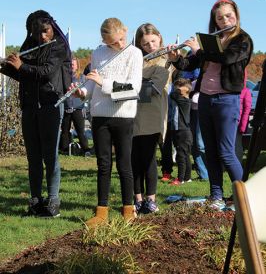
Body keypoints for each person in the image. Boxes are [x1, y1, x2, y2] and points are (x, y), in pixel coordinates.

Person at [168, 0, 253, 209]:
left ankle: (241, 196)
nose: (225, 20)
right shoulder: (208, 40)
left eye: (228, 15)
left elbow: (227, 59)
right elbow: (190, 64)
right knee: (210, 151)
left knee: (226, 151)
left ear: (236, 15)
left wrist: (199, 50)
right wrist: (175, 58)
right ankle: (216, 195)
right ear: (214, 21)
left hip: (227, 99)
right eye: (220, 17)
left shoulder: (242, 39)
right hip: (205, 99)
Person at [0, 10, 71, 217]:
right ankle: (35, 201)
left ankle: (53, 201)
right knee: (33, 157)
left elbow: (46, 73)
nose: (42, 37)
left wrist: (22, 66)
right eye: (36, 32)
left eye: (45, 31)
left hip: (50, 104)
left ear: (51, 28)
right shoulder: (29, 45)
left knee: (50, 156)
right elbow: (24, 76)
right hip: (29, 106)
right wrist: (5, 67)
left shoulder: (58, 45)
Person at [72, 18, 143, 226]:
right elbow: (93, 86)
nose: (119, 45)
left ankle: (128, 210)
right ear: (103, 41)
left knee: (124, 164)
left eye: (121, 39)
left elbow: (133, 89)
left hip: (124, 116)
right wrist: (82, 92)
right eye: (112, 43)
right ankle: (101, 212)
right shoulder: (98, 53)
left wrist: (103, 83)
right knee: (103, 164)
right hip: (99, 116)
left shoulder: (134, 53)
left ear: (125, 31)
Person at [132, 23, 171, 214]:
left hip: (153, 113)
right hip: (133, 112)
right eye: (145, 43)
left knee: (148, 157)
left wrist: (131, 87)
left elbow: (154, 88)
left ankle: (151, 199)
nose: (151, 47)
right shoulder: (135, 59)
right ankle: (137, 199)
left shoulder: (166, 59)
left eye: (153, 41)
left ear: (160, 38)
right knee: (134, 158)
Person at [59, 57, 90, 155]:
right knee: (65, 130)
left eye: (74, 64)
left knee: (80, 130)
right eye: (71, 64)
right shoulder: (64, 77)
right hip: (67, 107)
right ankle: (64, 149)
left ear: (77, 65)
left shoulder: (82, 77)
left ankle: (85, 149)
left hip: (78, 107)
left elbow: (85, 91)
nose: (72, 65)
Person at [169, 78, 193, 185]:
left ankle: (180, 179)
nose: (176, 90)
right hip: (181, 131)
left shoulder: (184, 100)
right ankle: (187, 178)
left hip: (182, 132)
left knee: (181, 156)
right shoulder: (183, 99)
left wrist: (184, 88)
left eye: (178, 88)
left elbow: (173, 94)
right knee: (185, 155)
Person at [235, 70, 252, 164]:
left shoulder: (246, 91)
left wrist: (243, 126)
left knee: (237, 144)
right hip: (228, 122)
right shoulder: (229, 90)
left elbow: (246, 110)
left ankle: (237, 164)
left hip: (238, 124)